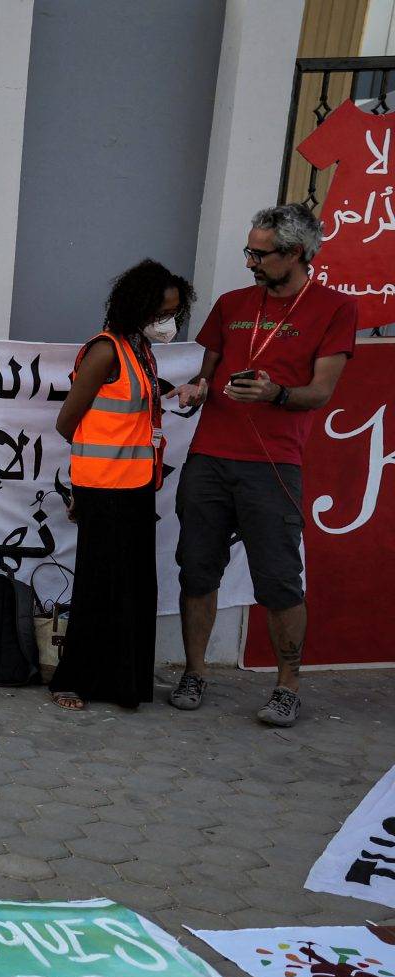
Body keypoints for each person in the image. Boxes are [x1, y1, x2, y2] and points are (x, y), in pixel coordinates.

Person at [171, 205, 358, 727]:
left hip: (273, 463)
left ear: (295, 253)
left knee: (278, 580)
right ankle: (194, 672)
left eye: (260, 254)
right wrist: (195, 390)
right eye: (248, 251)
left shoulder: (334, 309)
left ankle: (286, 687)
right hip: (210, 457)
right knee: (197, 570)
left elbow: (320, 392)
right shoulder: (232, 304)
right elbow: (205, 374)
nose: (250, 262)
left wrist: (275, 394)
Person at [50, 260, 193, 712]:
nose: (168, 322)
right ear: (137, 307)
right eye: (161, 312)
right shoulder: (106, 350)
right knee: (99, 587)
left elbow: (131, 409)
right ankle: (73, 681)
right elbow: (68, 421)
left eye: (174, 312)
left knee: (133, 587)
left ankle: (123, 683)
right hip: (104, 490)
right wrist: (89, 477)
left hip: (135, 487)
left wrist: (174, 395)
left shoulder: (139, 350)